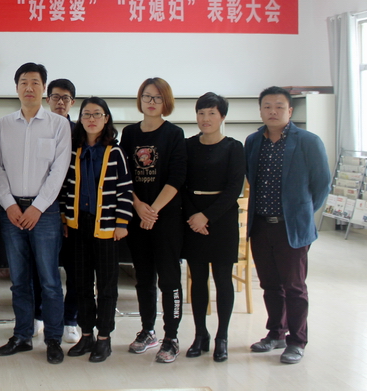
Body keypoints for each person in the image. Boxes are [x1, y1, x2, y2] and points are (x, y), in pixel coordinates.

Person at [245, 86, 329, 364]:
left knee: (294, 286)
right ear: (260, 111)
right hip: (260, 225)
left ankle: (297, 341)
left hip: (291, 228)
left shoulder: (308, 141)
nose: (273, 111)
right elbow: (251, 178)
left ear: (290, 111)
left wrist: (302, 212)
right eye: (267, 106)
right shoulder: (253, 141)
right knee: (269, 284)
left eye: (279, 106)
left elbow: (322, 184)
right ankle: (276, 333)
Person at [0, 63, 71, 364]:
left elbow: (59, 170)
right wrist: (9, 204)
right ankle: (22, 335)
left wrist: (38, 207)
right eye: (23, 82)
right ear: (16, 88)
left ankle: (53, 339)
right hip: (11, 210)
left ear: (44, 88)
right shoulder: (2, 125)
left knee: (49, 279)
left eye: (35, 82)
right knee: (19, 279)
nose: (29, 87)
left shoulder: (58, 125)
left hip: (45, 212)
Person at [60, 97, 133, 363]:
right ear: (80, 119)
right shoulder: (74, 151)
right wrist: (65, 219)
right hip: (78, 226)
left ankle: (104, 337)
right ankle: (86, 334)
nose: (91, 119)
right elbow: (66, 187)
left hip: (107, 227)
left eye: (97, 114)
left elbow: (125, 189)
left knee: (106, 285)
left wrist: (122, 223)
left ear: (106, 119)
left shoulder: (115, 152)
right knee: (80, 283)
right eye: (86, 114)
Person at [120, 77, 187, 363]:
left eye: (157, 98)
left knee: (169, 279)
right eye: (147, 96)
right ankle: (148, 330)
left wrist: (153, 211)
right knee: (144, 278)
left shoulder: (174, 134)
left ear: (166, 102)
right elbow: (123, 176)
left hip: (166, 218)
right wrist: (138, 207)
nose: (151, 102)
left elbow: (177, 178)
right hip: (138, 217)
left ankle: (171, 336)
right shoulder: (129, 134)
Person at [182, 92, 245, 363]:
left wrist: (206, 217)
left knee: (222, 279)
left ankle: (222, 337)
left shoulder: (234, 147)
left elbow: (234, 188)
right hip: (192, 219)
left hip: (222, 220)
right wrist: (193, 216)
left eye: (211, 113)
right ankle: (200, 335)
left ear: (222, 117)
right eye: (201, 113)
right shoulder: (187, 145)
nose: (205, 118)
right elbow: (180, 184)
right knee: (197, 279)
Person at [45, 78, 80, 344]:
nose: (60, 102)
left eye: (65, 98)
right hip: (44, 209)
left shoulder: (81, 131)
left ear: (72, 102)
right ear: (47, 100)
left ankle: (71, 320)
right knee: (44, 269)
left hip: (74, 210)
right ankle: (39, 316)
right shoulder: (39, 127)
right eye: (56, 97)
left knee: (75, 269)